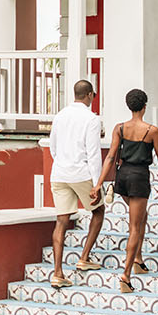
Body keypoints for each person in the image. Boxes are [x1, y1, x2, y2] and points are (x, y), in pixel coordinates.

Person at [94, 88, 158, 293]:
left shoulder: (120, 128)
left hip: (122, 177)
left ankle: (138, 259)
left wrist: (99, 184)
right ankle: (126, 276)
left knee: (141, 217)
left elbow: (110, 157)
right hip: (139, 177)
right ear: (144, 107)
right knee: (134, 226)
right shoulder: (152, 131)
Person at [46, 79, 105, 288]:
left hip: (59, 173)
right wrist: (97, 184)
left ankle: (58, 273)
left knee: (61, 221)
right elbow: (94, 154)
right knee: (98, 212)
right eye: (93, 95)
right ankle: (84, 257)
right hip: (81, 173)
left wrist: (62, 163)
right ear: (89, 94)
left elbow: (52, 147)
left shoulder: (60, 116)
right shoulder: (91, 119)